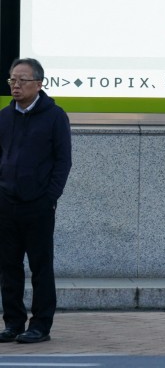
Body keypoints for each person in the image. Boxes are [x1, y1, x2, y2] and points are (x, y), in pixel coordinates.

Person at [0, 59, 72, 344]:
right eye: (11, 80)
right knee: (9, 266)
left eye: (21, 80)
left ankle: (41, 325)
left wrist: (49, 197)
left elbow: (63, 161)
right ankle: (13, 323)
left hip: (38, 205)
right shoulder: (4, 117)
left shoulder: (54, 116)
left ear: (39, 83)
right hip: (6, 203)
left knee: (41, 266)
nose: (15, 85)